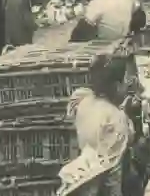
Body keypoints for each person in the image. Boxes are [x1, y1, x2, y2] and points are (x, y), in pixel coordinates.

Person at [57, 54, 134, 196]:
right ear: (117, 86)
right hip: (97, 180)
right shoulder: (116, 118)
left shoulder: (84, 101)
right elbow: (113, 171)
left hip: (81, 170)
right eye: (127, 80)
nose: (130, 83)